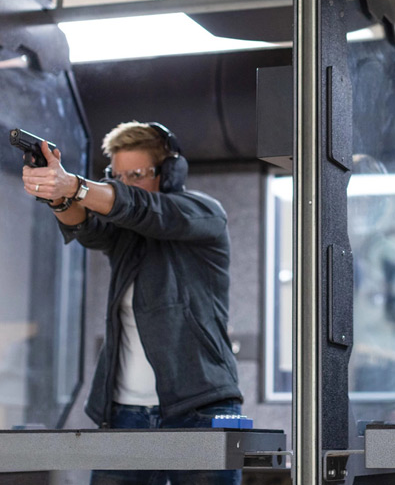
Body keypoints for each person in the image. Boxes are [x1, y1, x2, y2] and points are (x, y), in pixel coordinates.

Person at [21, 121, 243, 485]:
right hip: (125, 413)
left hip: (199, 407)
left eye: (136, 174)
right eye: (117, 176)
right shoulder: (125, 235)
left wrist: (74, 185)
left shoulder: (203, 213)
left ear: (169, 173)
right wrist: (57, 195)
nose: (124, 185)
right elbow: (86, 226)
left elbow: (142, 208)